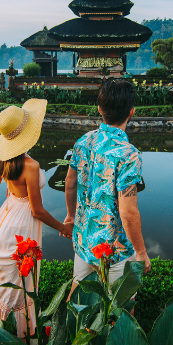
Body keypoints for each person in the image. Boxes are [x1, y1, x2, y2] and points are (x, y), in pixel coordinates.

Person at [0, 99, 72, 339]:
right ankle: (23, 335)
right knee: (21, 274)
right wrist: (63, 227)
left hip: (5, 216)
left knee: (8, 266)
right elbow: (37, 210)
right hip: (24, 221)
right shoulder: (31, 166)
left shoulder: (1, 160)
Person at [63, 79, 151, 289]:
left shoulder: (83, 141)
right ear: (131, 112)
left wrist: (70, 215)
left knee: (79, 303)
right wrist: (141, 252)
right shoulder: (128, 154)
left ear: (100, 109)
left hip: (84, 239)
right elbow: (128, 210)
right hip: (114, 249)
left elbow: (69, 182)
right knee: (118, 312)